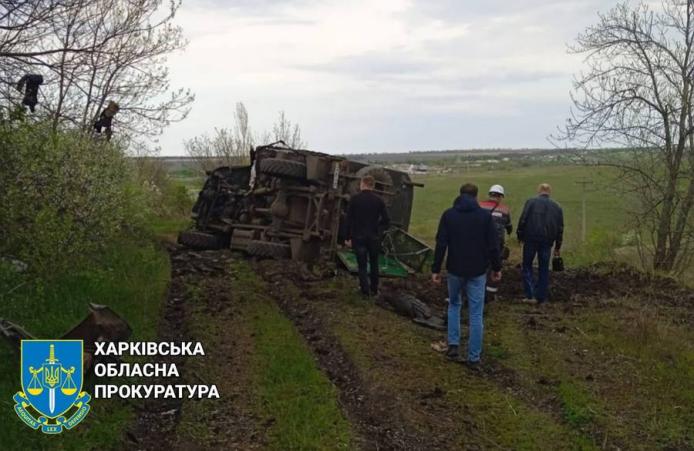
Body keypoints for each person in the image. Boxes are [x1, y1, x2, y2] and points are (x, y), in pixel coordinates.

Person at [431, 183, 502, 367]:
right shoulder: (484, 218)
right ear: (476, 196)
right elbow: (493, 246)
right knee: (476, 313)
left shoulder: (449, 215)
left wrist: (436, 269)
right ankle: (473, 357)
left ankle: (453, 345)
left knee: (454, 304)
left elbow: (441, 244)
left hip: (455, 269)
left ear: (460, 195)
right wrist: (496, 268)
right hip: (478, 271)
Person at [516, 183, 564, 305]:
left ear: (539, 191)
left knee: (527, 265)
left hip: (530, 239)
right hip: (547, 241)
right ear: (550, 192)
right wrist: (558, 246)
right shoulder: (557, 207)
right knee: (544, 268)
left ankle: (530, 294)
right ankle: (541, 297)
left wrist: (520, 235)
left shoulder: (531, 202)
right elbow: (560, 228)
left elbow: (523, 219)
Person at [345, 175, 390, 297]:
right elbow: (386, 220)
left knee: (362, 265)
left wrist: (347, 237)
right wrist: (377, 227)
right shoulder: (379, 200)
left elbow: (349, 220)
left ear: (363, 184)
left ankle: (364, 291)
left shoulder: (355, 199)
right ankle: (374, 289)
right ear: (373, 186)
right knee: (374, 263)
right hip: (374, 237)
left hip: (358, 236)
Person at [479, 184, 512, 302]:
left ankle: (477, 292)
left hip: (480, 243)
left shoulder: (479, 206)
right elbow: (508, 227)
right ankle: (490, 295)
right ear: (500, 197)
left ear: (490, 195)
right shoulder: (504, 209)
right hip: (496, 245)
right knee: (494, 268)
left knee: (479, 268)